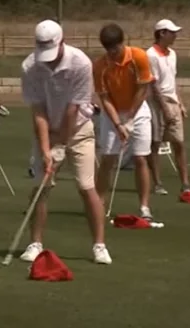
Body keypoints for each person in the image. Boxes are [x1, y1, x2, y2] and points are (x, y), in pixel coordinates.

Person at [19, 19, 111, 265]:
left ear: (62, 42)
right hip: (47, 130)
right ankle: (35, 243)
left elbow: (73, 110)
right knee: (42, 186)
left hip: (79, 130)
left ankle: (99, 245)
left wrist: (60, 146)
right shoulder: (30, 66)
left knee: (85, 185)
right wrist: (46, 147)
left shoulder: (81, 63)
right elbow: (38, 111)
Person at [93, 23, 156, 221]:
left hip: (137, 111)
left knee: (140, 158)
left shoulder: (139, 57)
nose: (112, 53)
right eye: (108, 49)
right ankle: (98, 203)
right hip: (112, 114)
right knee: (108, 159)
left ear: (122, 43)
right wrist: (119, 124)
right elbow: (104, 98)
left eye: (116, 48)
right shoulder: (100, 66)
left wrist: (129, 118)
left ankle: (144, 207)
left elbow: (143, 89)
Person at [145, 19, 190, 195]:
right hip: (157, 103)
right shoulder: (151, 55)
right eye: (172, 32)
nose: (175, 36)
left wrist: (180, 103)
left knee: (179, 142)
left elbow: (173, 80)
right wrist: (164, 108)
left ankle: (185, 183)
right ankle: (157, 183)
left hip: (172, 101)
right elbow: (153, 84)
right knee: (155, 143)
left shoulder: (172, 54)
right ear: (162, 33)